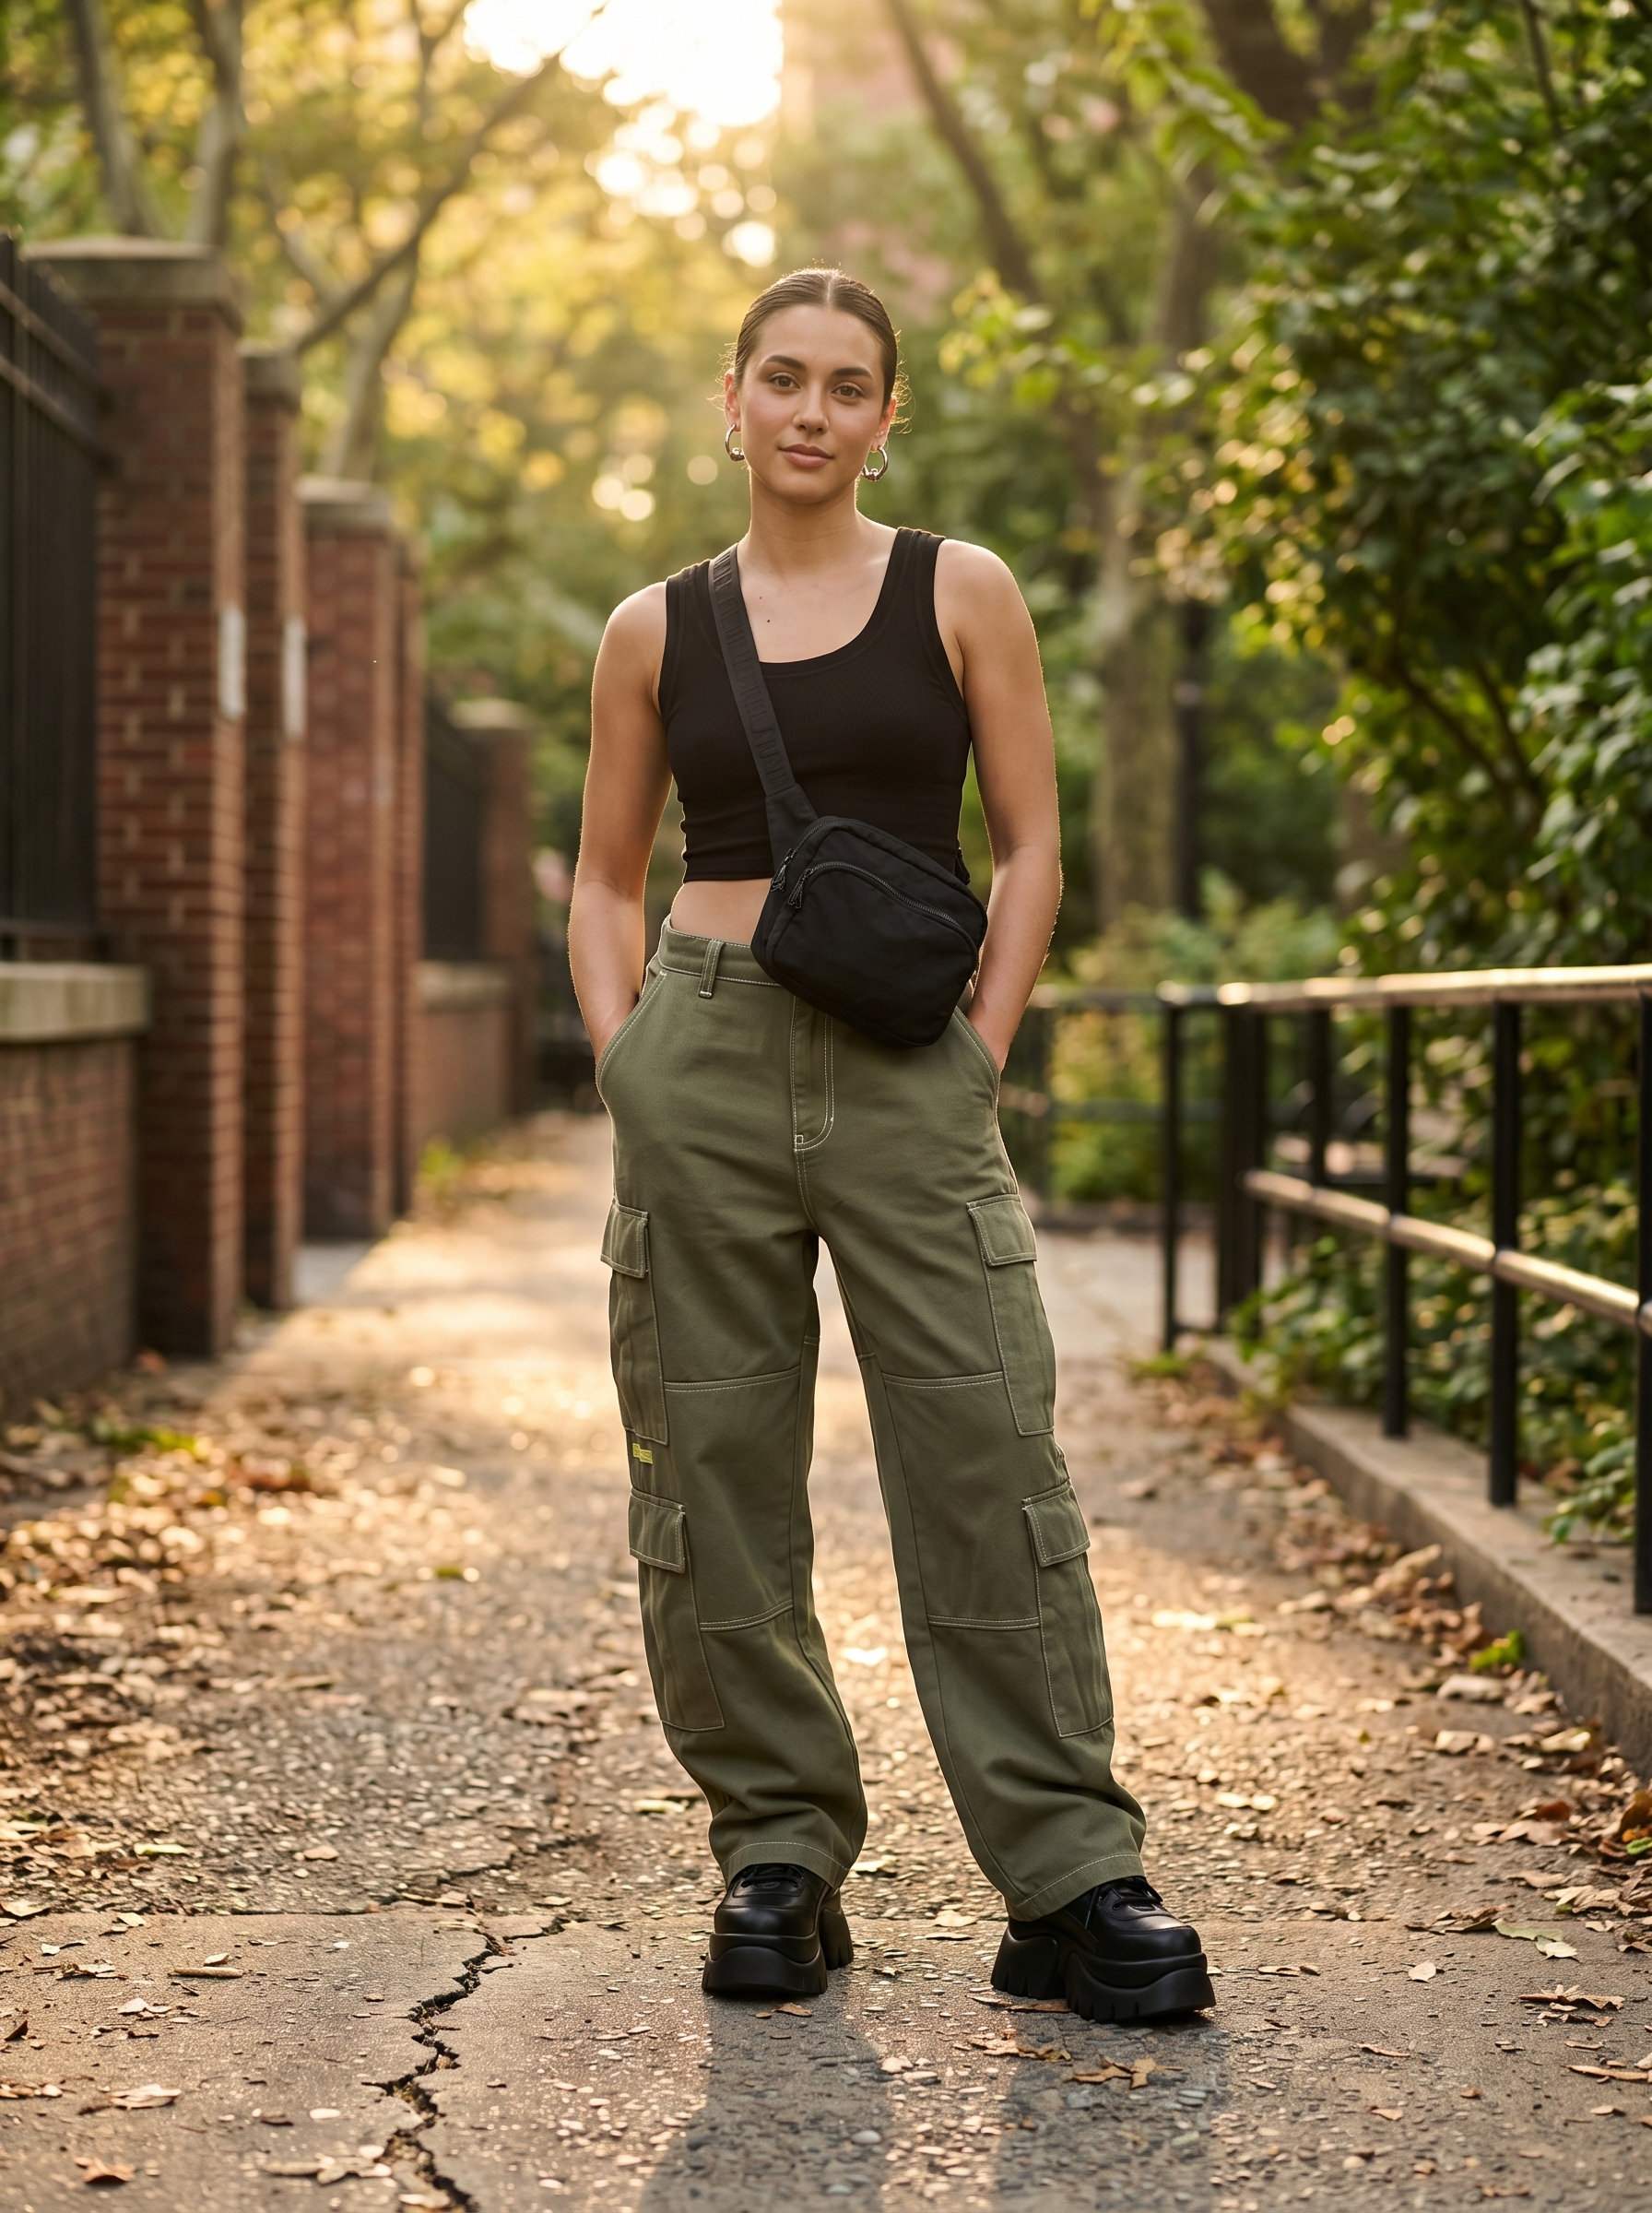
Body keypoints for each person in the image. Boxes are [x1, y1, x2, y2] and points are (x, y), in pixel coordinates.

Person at [569, 266, 1212, 2024]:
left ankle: (1071, 1876)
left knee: (987, 1447)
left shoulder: (961, 592)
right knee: (712, 1473)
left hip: (910, 1057)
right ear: (731, 397)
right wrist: (628, 1057)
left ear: (885, 417)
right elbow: (602, 873)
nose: (811, 413)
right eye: (782, 379)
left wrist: (982, 1054)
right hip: (699, 1046)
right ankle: (776, 1852)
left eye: (849, 387)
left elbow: (1029, 846)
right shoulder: (654, 629)